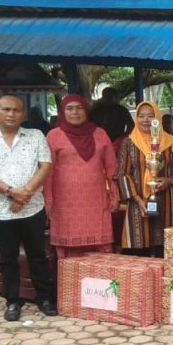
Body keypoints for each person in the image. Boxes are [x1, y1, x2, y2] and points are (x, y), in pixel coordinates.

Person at [0, 95, 55, 321]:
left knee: (38, 255)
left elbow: (45, 166)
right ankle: (12, 301)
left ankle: (45, 298)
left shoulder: (35, 136)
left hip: (33, 207)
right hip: (0, 210)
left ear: (23, 114)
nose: (11, 114)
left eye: (16, 110)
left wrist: (25, 193)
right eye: (6, 109)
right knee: (7, 258)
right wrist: (11, 192)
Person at [44, 94, 118, 258]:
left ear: (86, 111)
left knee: (100, 247)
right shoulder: (53, 136)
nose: (75, 112)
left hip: (96, 200)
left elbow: (111, 167)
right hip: (64, 202)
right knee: (67, 250)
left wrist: (114, 195)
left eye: (79, 108)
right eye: (69, 108)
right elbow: (47, 172)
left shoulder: (100, 134)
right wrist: (48, 201)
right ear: (62, 112)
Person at [116, 101, 173, 256]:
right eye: (141, 116)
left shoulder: (171, 143)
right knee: (138, 249)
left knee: (165, 250)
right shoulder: (129, 143)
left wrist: (170, 180)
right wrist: (138, 200)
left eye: (150, 116)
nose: (145, 120)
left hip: (166, 201)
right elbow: (122, 174)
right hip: (138, 204)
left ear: (157, 118)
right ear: (136, 119)